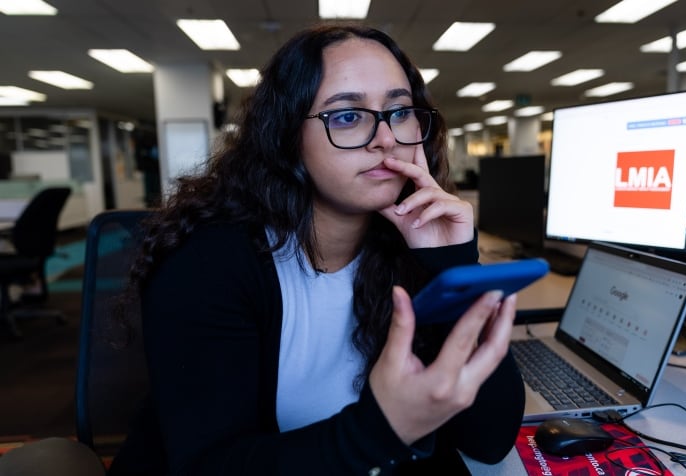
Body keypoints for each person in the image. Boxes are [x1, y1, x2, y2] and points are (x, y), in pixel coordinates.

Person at [108, 24, 525, 475]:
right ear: (287, 138)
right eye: (346, 116)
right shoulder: (208, 262)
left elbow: (489, 439)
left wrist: (450, 262)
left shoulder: (408, 249)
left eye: (399, 111)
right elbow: (211, 465)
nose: (386, 138)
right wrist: (384, 429)